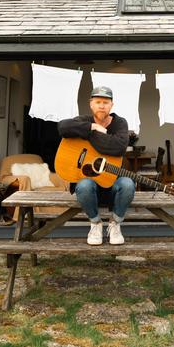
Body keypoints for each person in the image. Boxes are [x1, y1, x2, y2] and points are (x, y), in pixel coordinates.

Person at [57, 86, 134, 245]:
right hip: (89, 186)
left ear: (111, 105)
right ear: (91, 104)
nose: (101, 105)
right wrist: (92, 126)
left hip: (112, 184)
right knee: (84, 185)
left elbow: (118, 147)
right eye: (98, 102)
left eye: (106, 102)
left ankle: (115, 224)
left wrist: (89, 134)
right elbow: (62, 127)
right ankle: (96, 224)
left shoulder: (120, 123)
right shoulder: (84, 120)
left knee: (128, 183)